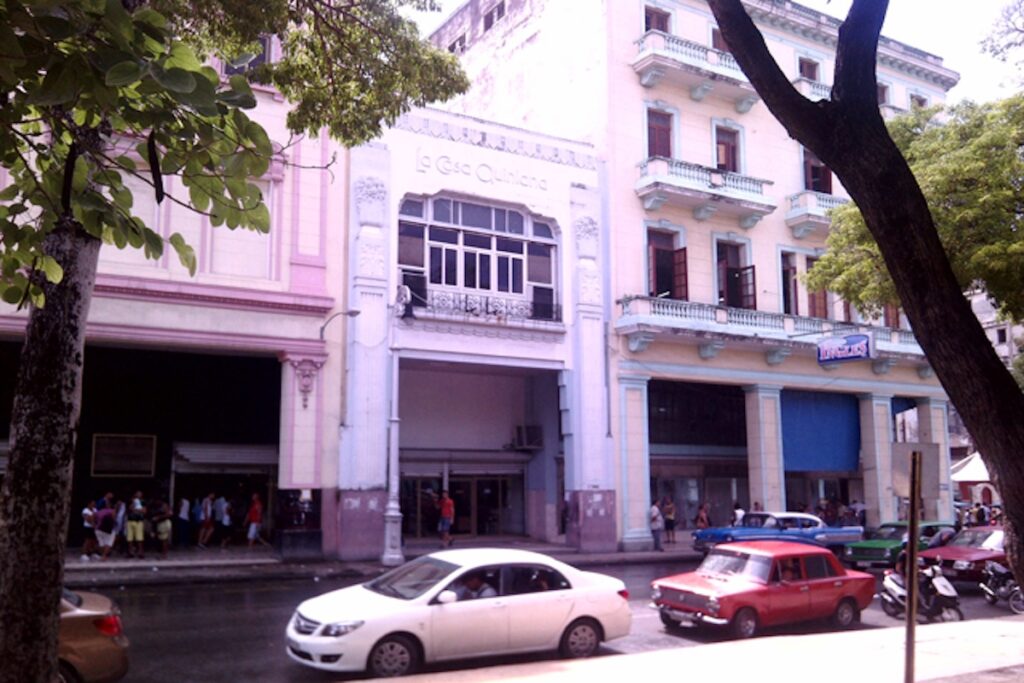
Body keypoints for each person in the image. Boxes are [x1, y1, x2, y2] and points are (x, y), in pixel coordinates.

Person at [126, 491, 147, 559]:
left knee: (139, 538)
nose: (138, 495)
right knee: (130, 538)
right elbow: (130, 509)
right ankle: (130, 552)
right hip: (130, 521)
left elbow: (144, 511)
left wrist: (137, 510)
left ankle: (140, 552)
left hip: (139, 521)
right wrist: (134, 505)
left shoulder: (143, 502)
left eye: (140, 494)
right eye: (137, 494)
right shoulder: (131, 501)